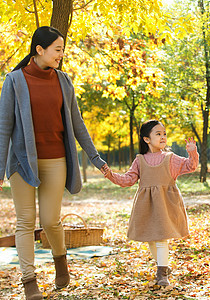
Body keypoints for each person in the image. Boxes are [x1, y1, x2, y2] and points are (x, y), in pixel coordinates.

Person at [0, 26, 109, 300]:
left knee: (50, 220)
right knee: (25, 222)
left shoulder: (64, 81)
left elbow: (77, 124)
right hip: (22, 163)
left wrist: (96, 158)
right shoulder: (14, 81)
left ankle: (61, 261)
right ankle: (29, 282)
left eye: (62, 49)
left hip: (56, 160)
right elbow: (3, 128)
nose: (61, 54)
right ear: (40, 49)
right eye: (57, 49)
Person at [103, 120, 199, 286]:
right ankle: (163, 266)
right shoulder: (140, 160)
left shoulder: (170, 158)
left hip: (166, 204)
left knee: (161, 238)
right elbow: (128, 179)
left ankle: (162, 274)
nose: (163, 137)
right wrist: (111, 175)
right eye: (158, 134)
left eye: (164, 134)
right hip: (147, 206)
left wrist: (192, 153)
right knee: (151, 239)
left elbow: (190, 166)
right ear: (146, 139)